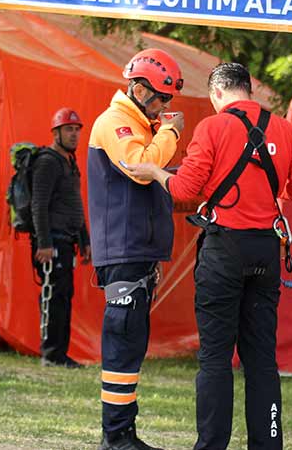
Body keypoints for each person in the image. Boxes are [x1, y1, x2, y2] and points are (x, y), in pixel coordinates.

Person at [123, 62, 292, 450]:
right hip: (266, 248)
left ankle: (211, 445)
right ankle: (269, 443)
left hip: (224, 248)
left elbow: (184, 189)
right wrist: (267, 196)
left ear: (216, 94)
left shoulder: (212, 127)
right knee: (261, 358)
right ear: (248, 89)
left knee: (215, 357)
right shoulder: (286, 130)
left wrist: (153, 170)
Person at [87, 48, 186, 450]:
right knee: (123, 340)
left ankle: (124, 433)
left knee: (132, 342)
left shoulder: (139, 124)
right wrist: (172, 132)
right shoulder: (115, 123)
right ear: (140, 87)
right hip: (123, 250)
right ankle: (115, 437)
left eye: (169, 101)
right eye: (162, 98)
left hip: (138, 252)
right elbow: (140, 168)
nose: (166, 107)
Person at [30, 107, 90, 368]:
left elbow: (74, 204)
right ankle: (51, 354)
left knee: (64, 296)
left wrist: (84, 240)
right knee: (54, 297)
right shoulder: (47, 162)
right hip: (52, 242)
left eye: (77, 130)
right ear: (56, 132)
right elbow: (38, 205)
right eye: (69, 129)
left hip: (67, 241)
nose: (74, 135)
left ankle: (60, 354)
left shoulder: (69, 162)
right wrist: (44, 243)